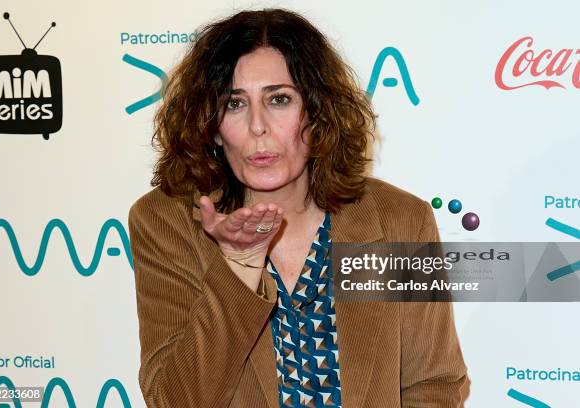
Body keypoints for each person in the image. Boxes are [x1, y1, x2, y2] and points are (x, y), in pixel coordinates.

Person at [128, 7, 470, 408]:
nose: (258, 125)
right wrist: (238, 269)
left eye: (279, 99)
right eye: (234, 104)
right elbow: (174, 401)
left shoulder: (399, 221)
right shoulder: (165, 223)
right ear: (212, 126)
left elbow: (434, 385)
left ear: (318, 112)